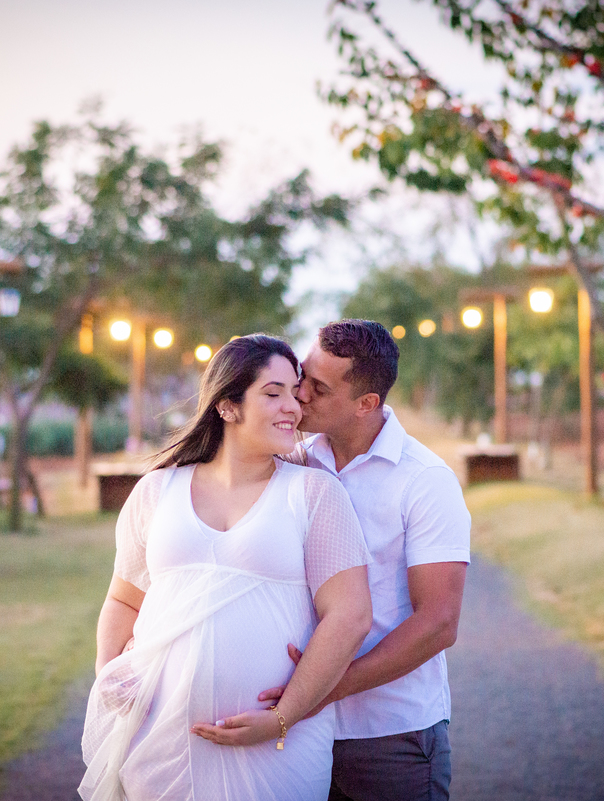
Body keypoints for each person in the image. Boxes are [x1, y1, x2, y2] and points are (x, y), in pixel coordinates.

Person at [79, 334, 373, 801]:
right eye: (272, 393)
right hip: (161, 736)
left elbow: (351, 615)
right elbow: (123, 597)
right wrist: (109, 673)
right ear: (227, 406)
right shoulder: (157, 491)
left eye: (294, 393)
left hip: (278, 746)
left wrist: (283, 717)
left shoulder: (315, 494)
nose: (293, 408)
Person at [261, 319, 471, 800]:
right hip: (295, 735)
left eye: (318, 387)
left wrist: (322, 688)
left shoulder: (425, 481)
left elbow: (440, 622)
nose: (301, 395)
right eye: (301, 377)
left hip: (390, 735)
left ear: (366, 404)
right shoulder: (292, 461)